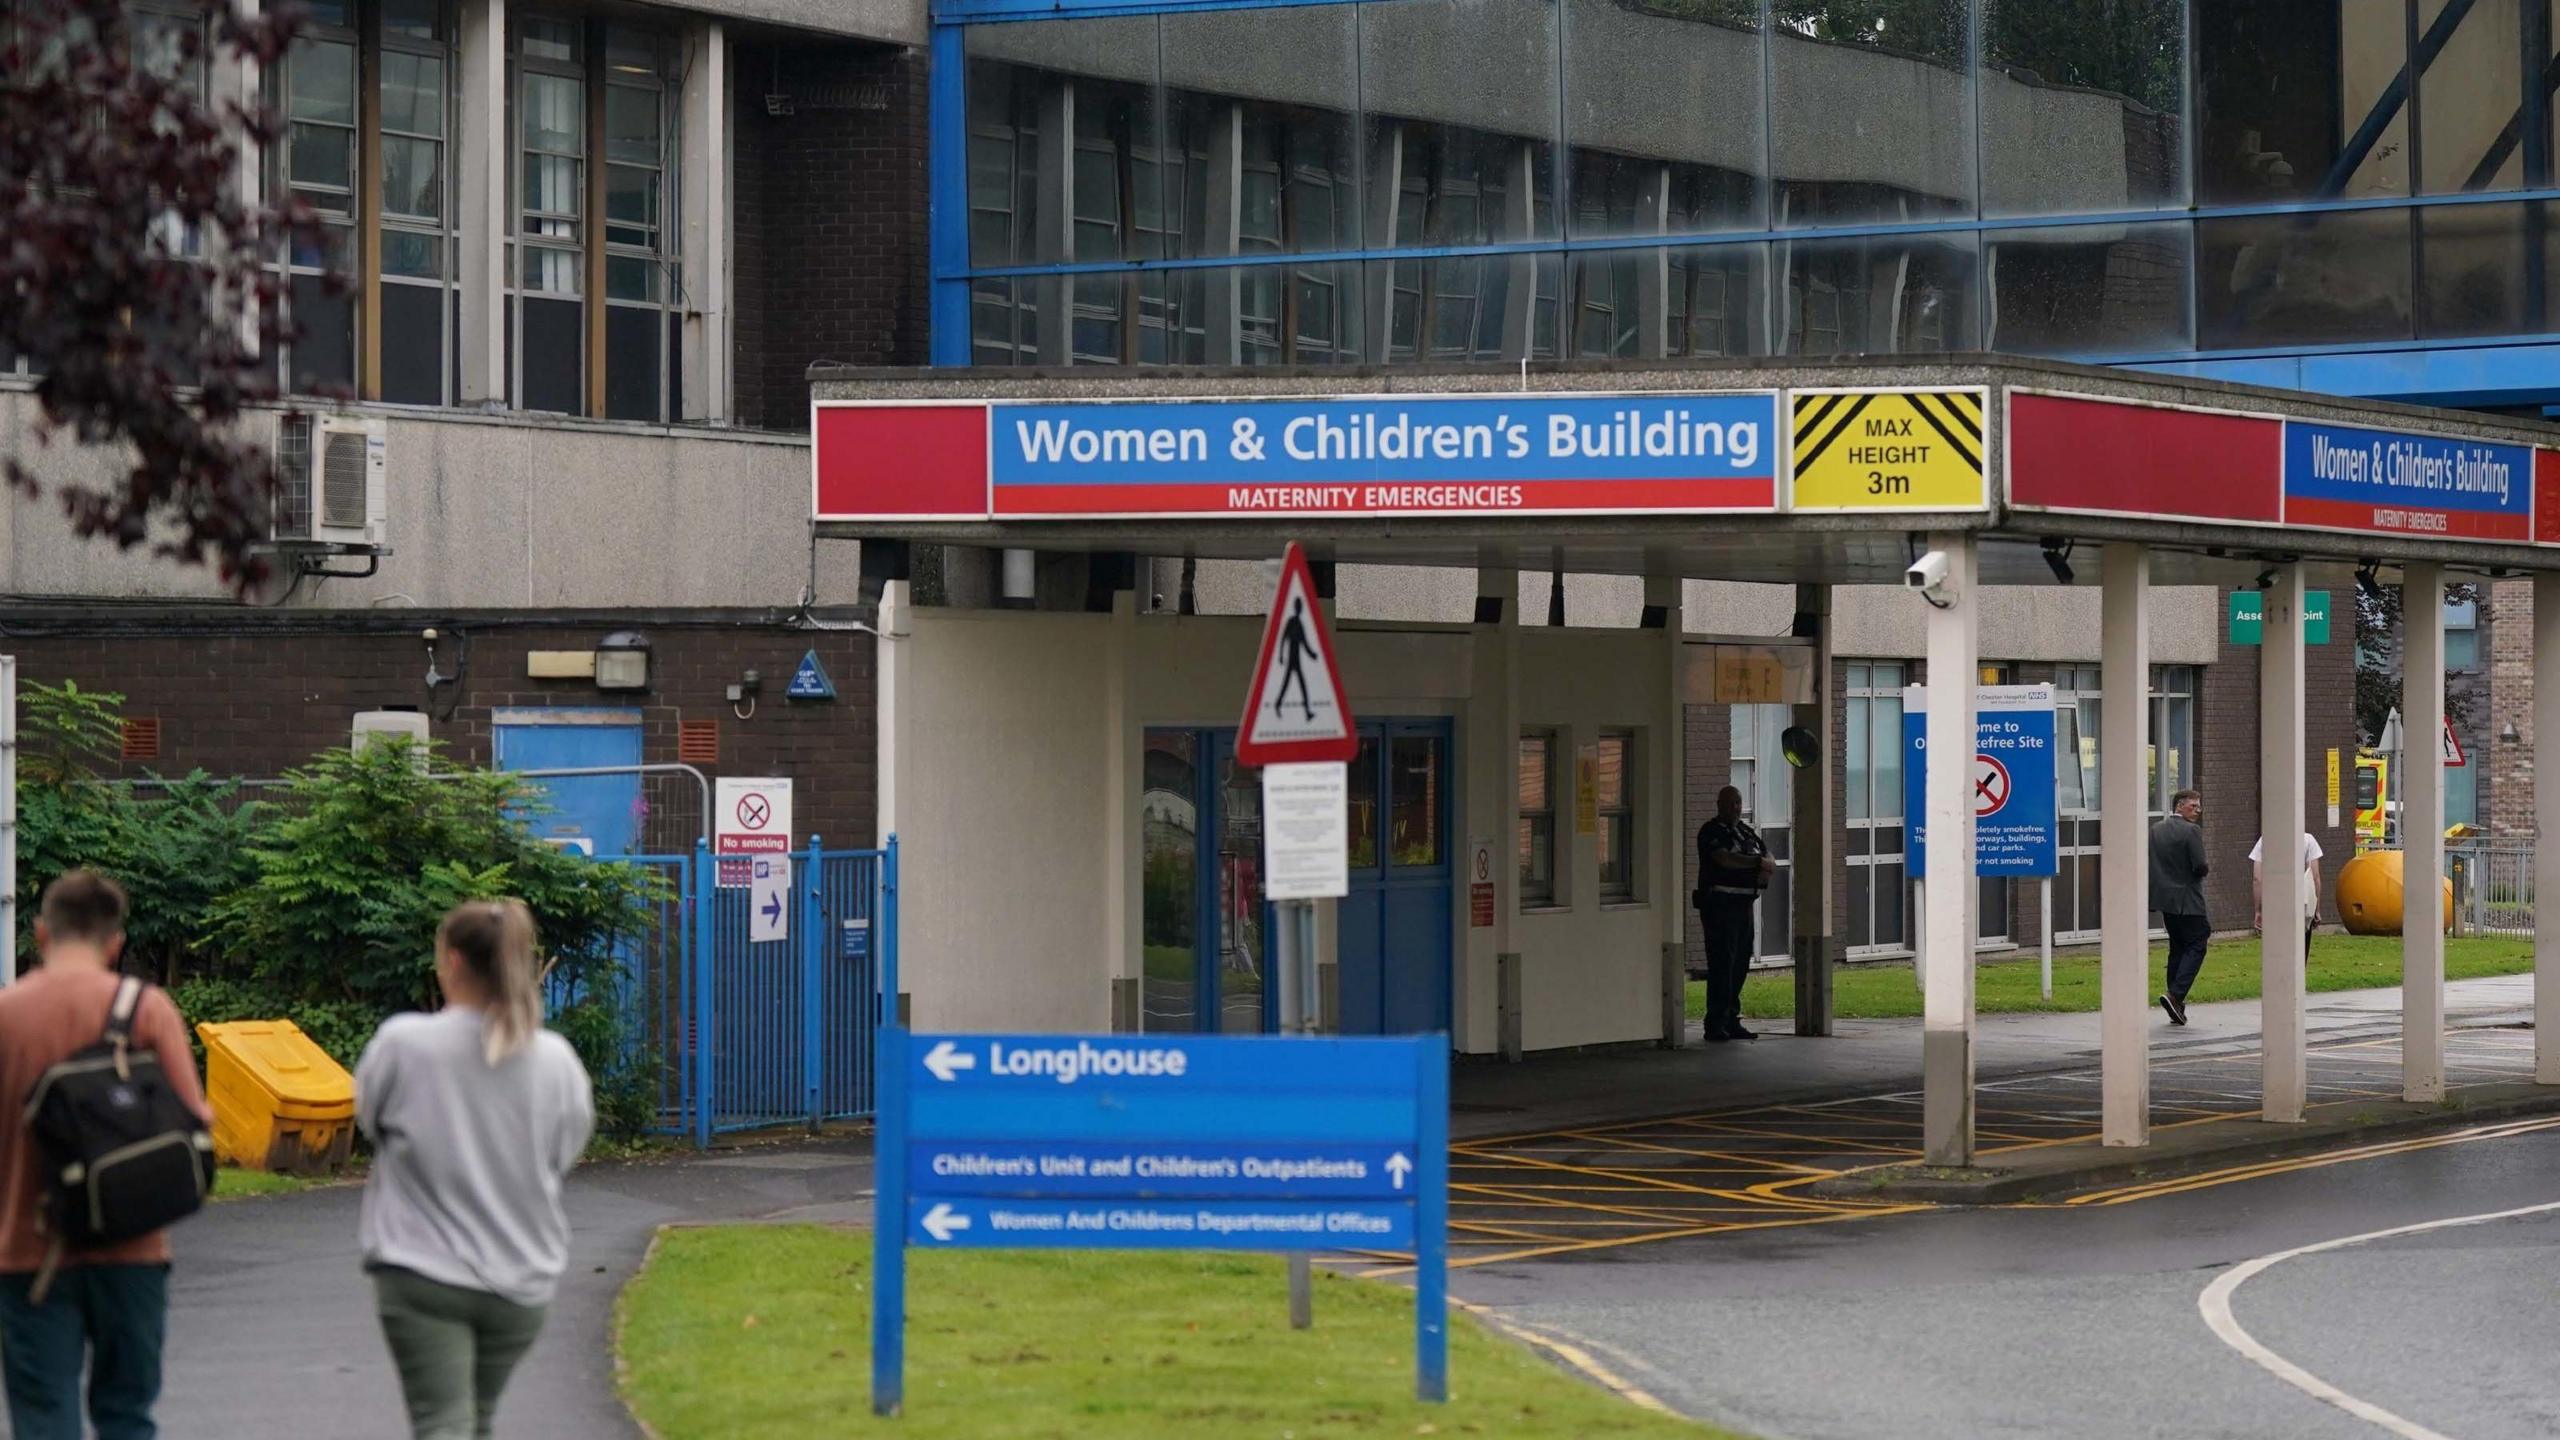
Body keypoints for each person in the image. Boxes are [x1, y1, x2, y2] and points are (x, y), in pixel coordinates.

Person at [356, 900, 594, 1440]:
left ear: (454, 961)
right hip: (521, 1277)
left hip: (420, 1270)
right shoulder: (555, 1059)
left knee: (443, 1423)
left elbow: (370, 1121)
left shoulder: (404, 1044)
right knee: (474, 1422)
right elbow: (563, 1153)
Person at [0, 871, 209, 1440]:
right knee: (126, 1416)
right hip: (134, 1250)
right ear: (115, 942)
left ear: (41, 934)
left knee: (44, 1418)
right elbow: (197, 1121)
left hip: (29, 1254)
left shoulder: (6, 1014)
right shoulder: (147, 1008)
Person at [1695, 785, 1774, 1043]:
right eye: (1730, 803)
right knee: (1722, 964)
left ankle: (1731, 1018)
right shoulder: (1711, 831)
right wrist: (1755, 863)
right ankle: (1715, 1022)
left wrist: (1767, 864)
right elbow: (1724, 859)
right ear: (1719, 804)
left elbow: (1766, 853)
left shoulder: (1744, 831)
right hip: (1719, 906)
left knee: (1740, 963)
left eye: (1738, 803)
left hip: (1743, 906)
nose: (1735, 808)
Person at [2149, 788, 2212, 1026]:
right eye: (2193, 806)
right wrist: (2203, 870)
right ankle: (2175, 995)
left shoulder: (2156, 830)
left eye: (2198, 806)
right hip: (2188, 899)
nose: (2198, 810)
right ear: (2179, 806)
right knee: (2198, 942)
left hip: (2165, 900)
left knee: (2177, 947)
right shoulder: (2191, 831)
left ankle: (2174, 999)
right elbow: (2200, 865)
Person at [2249, 829, 2326, 957]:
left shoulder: (2265, 840)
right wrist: (2316, 910)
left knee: (2277, 953)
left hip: (2274, 904)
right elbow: (2314, 877)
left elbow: (2258, 879)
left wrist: (2258, 911)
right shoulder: (2308, 840)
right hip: (2301, 904)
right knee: (2301, 953)